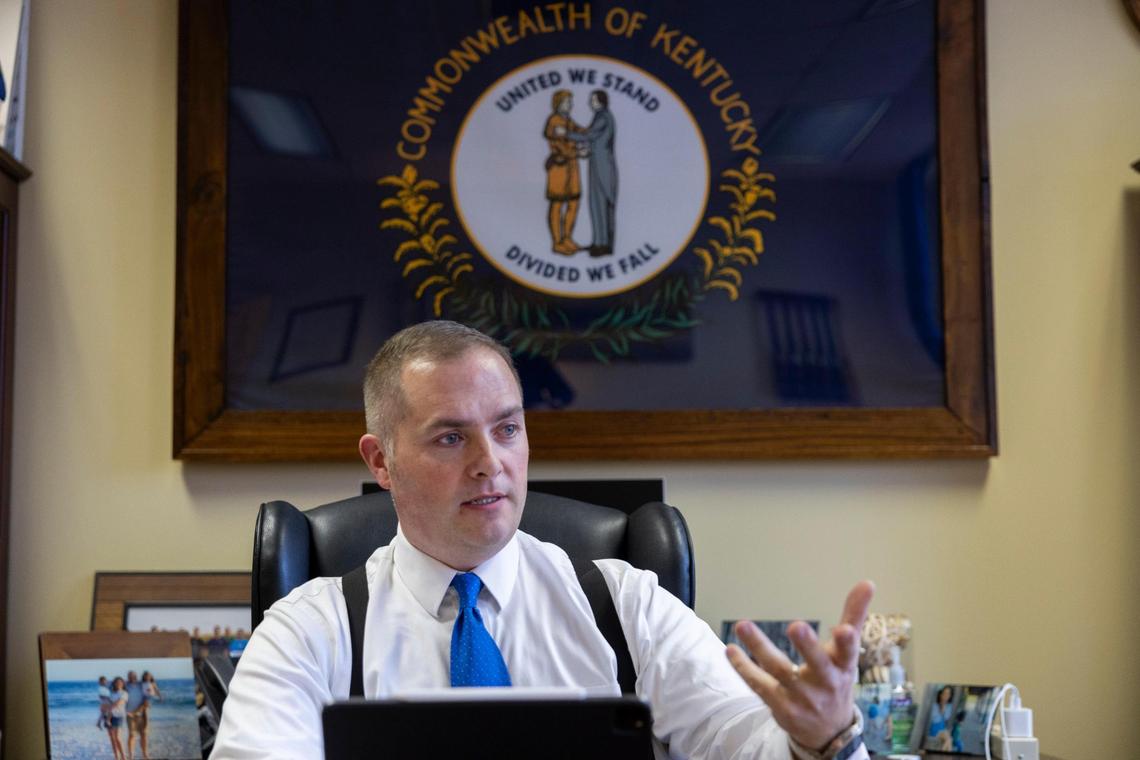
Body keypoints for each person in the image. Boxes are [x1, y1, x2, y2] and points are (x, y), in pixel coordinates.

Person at [212, 320, 873, 759]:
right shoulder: (310, 631)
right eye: (451, 437)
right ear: (381, 461)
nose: (489, 463)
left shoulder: (627, 606)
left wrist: (822, 737)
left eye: (507, 429)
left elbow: (744, 739)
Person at [567, 90, 618, 256]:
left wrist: (565, 133)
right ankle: (600, 242)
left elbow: (589, 135)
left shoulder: (603, 117)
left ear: (601, 101)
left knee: (599, 205)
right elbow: (596, 139)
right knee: (599, 206)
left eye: (593, 100)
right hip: (599, 164)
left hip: (602, 168)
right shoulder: (602, 116)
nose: (591, 103)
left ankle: (602, 245)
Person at [543, 89, 584, 255]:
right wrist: (578, 152)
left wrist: (593, 133)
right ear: (558, 104)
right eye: (567, 102)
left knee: (573, 203)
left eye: (570, 102)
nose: (570, 105)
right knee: (557, 204)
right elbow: (559, 146)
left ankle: (567, 237)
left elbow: (580, 131)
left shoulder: (568, 120)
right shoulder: (554, 121)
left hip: (572, 168)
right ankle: (557, 242)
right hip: (559, 167)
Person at [124, 669, 151, 760]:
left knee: (143, 734)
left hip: (142, 714)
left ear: (136, 676)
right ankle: (131, 756)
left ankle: (145, 755)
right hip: (129, 714)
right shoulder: (125, 686)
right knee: (132, 735)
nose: (132, 677)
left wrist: (144, 706)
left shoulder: (141, 685)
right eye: (130, 676)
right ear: (128, 677)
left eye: (134, 676)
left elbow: (148, 696)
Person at [108, 676, 128, 760]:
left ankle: (123, 757)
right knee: (112, 739)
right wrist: (107, 717)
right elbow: (109, 704)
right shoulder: (112, 694)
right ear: (114, 684)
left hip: (119, 716)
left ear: (123, 684)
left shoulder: (124, 693)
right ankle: (116, 757)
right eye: (117, 682)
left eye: (120, 682)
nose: (118, 684)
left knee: (118, 738)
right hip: (110, 716)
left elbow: (118, 703)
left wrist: (109, 708)